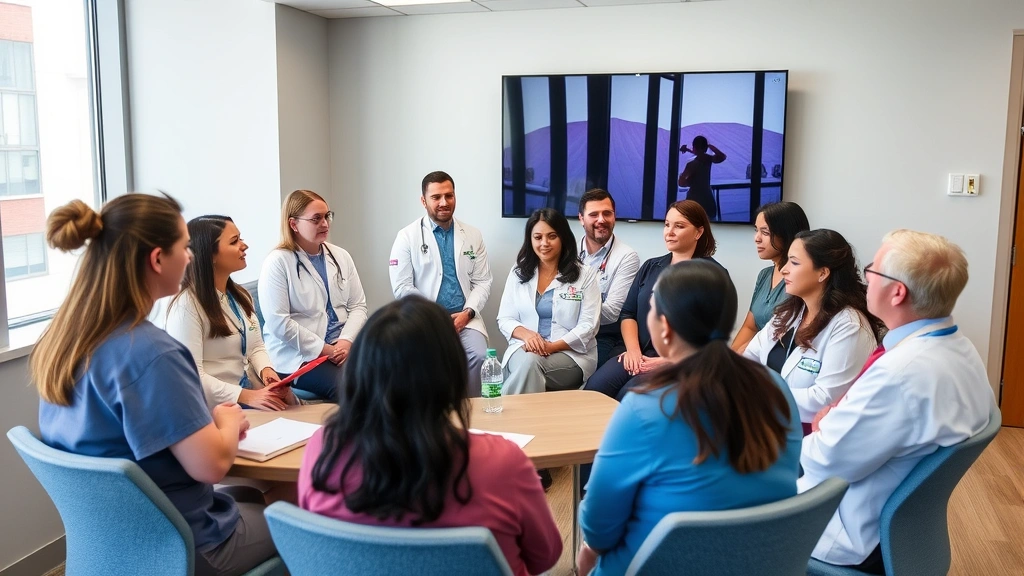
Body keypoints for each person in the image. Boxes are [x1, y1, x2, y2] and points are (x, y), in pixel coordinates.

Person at [32, 194, 276, 576]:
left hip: (112, 542)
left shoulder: (64, 344)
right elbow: (211, 465)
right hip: (182, 545)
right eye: (184, 247)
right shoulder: (153, 354)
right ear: (157, 259)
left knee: (244, 495)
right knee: (297, 517)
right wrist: (228, 420)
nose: (191, 256)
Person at [298, 296, 562, 576]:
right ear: (451, 375)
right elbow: (544, 557)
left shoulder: (322, 450)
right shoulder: (503, 463)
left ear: (360, 370)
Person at [577, 260, 802, 576]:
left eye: (651, 309)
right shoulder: (776, 386)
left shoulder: (645, 407)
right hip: (758, 562)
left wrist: (586, 554)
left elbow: (599, 527)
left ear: (665, 327)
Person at [801, 230, 996, 574]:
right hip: (898, 528)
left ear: (897, 292)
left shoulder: (899, 373)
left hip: (845, 530)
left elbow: (824, 462)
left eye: (873, 270)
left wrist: (826, 424)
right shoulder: (961, 349)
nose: (865, 277)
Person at [744, 229, 882, 434]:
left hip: (810, 438)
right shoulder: (790, 312)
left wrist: (762, 394)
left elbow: (825, 399)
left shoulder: (849, 326)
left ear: (823, 273)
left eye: (794, 262)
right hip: (767, 425)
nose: (784, 269)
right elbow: (750, 359)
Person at [154, 215, 297, 411]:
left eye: (241, 238)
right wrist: (247, 396)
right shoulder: (186, 305)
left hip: (247, 394)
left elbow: (255, 347)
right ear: (210, 254)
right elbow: (191, 375)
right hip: (216, 406)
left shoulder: (240, 296)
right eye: (234, 241)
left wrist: (267, 372)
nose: (244, 246)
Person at [585, 200, 722, 401]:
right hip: (637, 352)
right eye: (667, 224)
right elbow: (628, 313)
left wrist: (668, 361)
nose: (670, 231)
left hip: (682, 361)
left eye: (679, 226)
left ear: (698, 232)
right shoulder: (651, 266)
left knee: (629, 396)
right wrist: (633, 352)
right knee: (593, 391)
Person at [389, 171, 493, 397]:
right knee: (423, 363)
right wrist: (436, 317)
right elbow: (402, 286)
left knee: (479, 357)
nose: (444, 203)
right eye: (436, 197)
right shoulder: (406, 237)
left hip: (465, 319)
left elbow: (483, 281)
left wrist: (467, 313)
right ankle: (431, 421)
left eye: (449, 196)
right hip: (424, 321)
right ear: (423, 200)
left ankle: (472, 416)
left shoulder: (473, 235)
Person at [259, 190, 368, 402]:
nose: (325, 224)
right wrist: (326, 350)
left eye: (327, 216)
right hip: (300, 356)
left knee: (391, 375)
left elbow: (358, 306)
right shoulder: (278, 262)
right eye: (316, 219)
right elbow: (278, 323)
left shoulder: (340, 256)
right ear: (293, 224)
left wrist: (345, 342)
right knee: (356, 391)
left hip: (340, 347)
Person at [496, 208, 602, 396]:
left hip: (571, 355)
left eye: (551, 236)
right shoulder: (518, 272)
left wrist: (551, 346)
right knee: (528, 363)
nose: (544, 243)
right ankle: (527, 423)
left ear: (563, 238)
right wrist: (528, 335)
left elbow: (588, 326)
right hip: (524, 348)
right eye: (537, 237)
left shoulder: (585, 275)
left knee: (529, 365)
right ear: (530, 240)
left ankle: (501, 417)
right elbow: (505, 318)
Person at [731, 202, 810, 353]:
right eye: (756, 230)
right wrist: (731, 358)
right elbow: (750, 326)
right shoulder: (765, 275)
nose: (757, 238)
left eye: (765, 232)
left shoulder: (801, 279)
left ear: (787, 234)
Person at [576, 188, 640, 369]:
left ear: (614, 216)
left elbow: (612, 313)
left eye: (607, 213)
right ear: (581, 218)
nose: (601, 220)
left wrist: (568, 307)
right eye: (593, 214)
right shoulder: (567, 252)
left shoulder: (627, 256)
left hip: (602, 336)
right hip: (563, 331)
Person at [677, 135, 726, 220]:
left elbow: (681, 183)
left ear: (694, 147)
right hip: (708, 200)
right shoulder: (708, 160)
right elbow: (722, 156)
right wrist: (709, 146)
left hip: (694, 201)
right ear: (705, 148)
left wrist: (684, 178)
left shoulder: (691, 164)